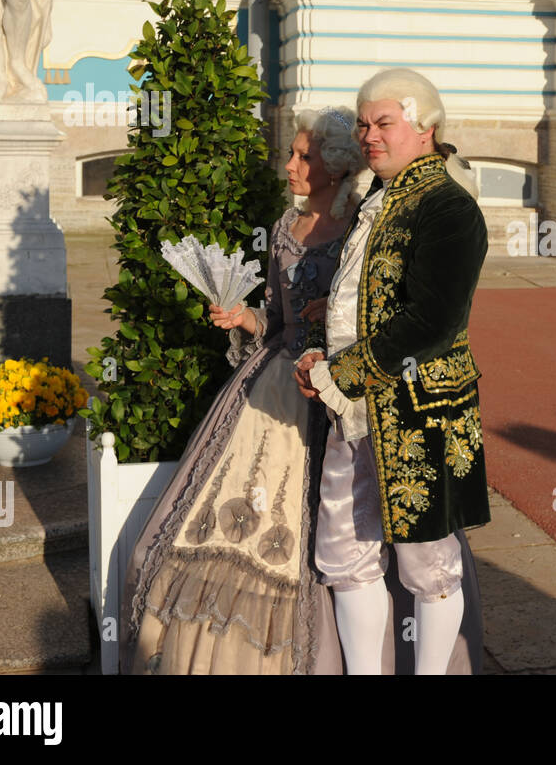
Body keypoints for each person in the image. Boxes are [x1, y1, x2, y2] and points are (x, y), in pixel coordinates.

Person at [120, 108, 362, 674]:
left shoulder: (359, 232)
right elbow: (276, 322)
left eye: (304, 156)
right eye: (292, 154)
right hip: (267, 388)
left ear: (337, 165)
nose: (291, 165)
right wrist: (244, 318)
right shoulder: (285, 228)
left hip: (329, 395)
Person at [295, 68, 490, 675]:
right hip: (353, 411)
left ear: (425, 128)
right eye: (363, 123)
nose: (369, 135)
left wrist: (341, 372)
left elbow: (432, 319)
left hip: (418, 411)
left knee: (427, 564)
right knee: (345, 554)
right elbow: (368, 294)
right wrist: (319, 338)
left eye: (384, 122)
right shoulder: (377, 198)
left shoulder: (448, 206)